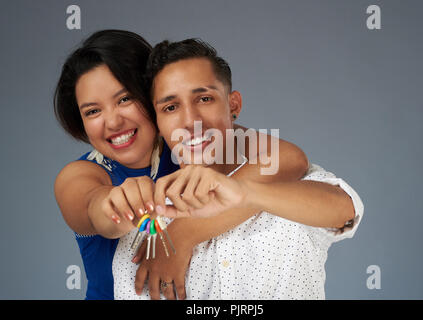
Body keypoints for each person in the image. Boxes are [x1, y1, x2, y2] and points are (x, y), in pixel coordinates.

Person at [53, 30, 309, 300]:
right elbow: (98, 211)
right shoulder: (78, 176)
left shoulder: (189, 144)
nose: (113, 122)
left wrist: (182, 234)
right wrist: (118, 206)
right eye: (93, 111)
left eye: (125, 99)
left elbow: (289, 159)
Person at [112, 39, 364, 300]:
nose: (191, 121)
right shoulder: (146, 228)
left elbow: (345, 210)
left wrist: (244, 192)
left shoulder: (286, 186)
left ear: (233, 105)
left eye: (205, 98)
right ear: (158, 122)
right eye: (171, 107)